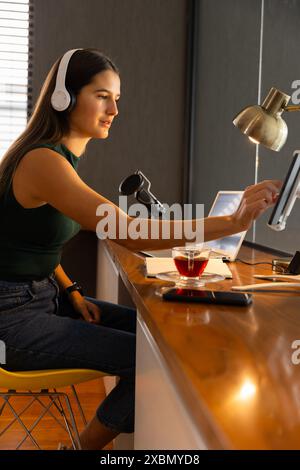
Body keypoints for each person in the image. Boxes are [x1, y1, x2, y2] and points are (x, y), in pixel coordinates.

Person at [0, 48, 281, 450]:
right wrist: (231, 221)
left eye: (117, 98)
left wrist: (72, 290)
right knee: (151, 359)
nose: (114, 108)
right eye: (102, 95)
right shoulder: (43, 161)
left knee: (159, 338)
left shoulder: (58, 158)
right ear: (63, 98)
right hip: (10, 319)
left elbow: (27, 242)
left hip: (42, 297)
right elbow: (125, 229)